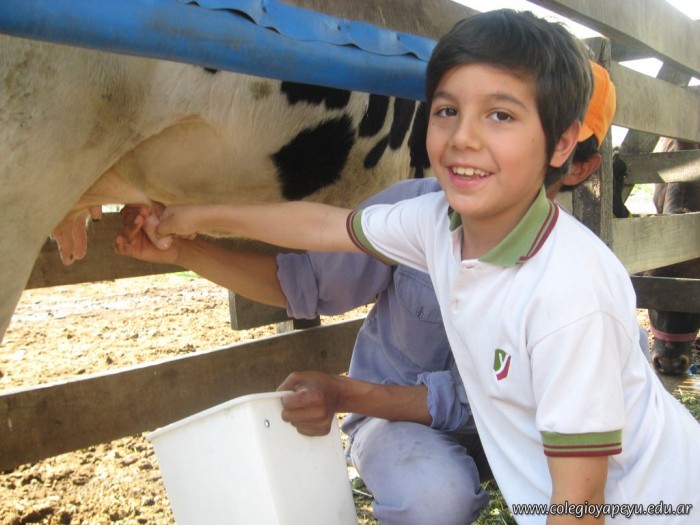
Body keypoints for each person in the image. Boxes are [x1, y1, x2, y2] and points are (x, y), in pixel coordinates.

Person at [134, 10, 700, 524]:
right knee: (436, 497)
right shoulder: (435, 221)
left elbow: (580, 507)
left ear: (568, 152)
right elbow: (324, 227)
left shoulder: (569, 295)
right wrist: (191, 217)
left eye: (501, 115)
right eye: (447, 111)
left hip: (650, 508)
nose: (463, 138)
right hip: (522, 467)